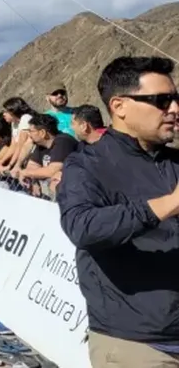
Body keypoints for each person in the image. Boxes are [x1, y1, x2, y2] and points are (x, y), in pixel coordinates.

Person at [57, 56, 179, 365]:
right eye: (162, 101)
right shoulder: (86, 165)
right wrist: (166, 205)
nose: (174, 109)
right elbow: (82, 227)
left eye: (176, 99)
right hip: (137, 346)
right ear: (119, 106)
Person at [11, 114, 77, 198]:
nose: (29, 134)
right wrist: (33, 179)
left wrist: (25, 172)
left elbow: (52, 170)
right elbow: (32, 166)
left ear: (42, 133)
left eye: (31, 131)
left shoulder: (63, 141)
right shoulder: (41, 144)